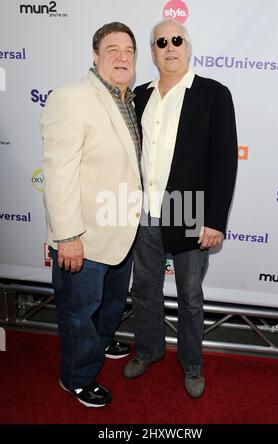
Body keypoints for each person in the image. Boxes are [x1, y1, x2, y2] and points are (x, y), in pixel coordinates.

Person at [123, 19, 238, 398]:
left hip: (188, 209)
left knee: (190, 294)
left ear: (188, 47)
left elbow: (225, 161)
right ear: (152, 52)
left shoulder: (213, 94)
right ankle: (150, 349)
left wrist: (215, 219)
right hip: (143, 211)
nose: (170, 47)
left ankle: (191, 363)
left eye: (177, 40)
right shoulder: (137, 96)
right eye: (161, 42)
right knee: (144, 289)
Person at [41, 22, 142, 407]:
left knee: (110, 304)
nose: (122, 56)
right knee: (78, 312)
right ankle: (77, 378)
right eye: (112, 49)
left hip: (120, 230)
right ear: (95, 57)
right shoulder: (72, 97)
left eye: (129, 50)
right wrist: (67, 236)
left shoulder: (126, 100)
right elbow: (59, 172)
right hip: (82, 237)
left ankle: (100, 344)